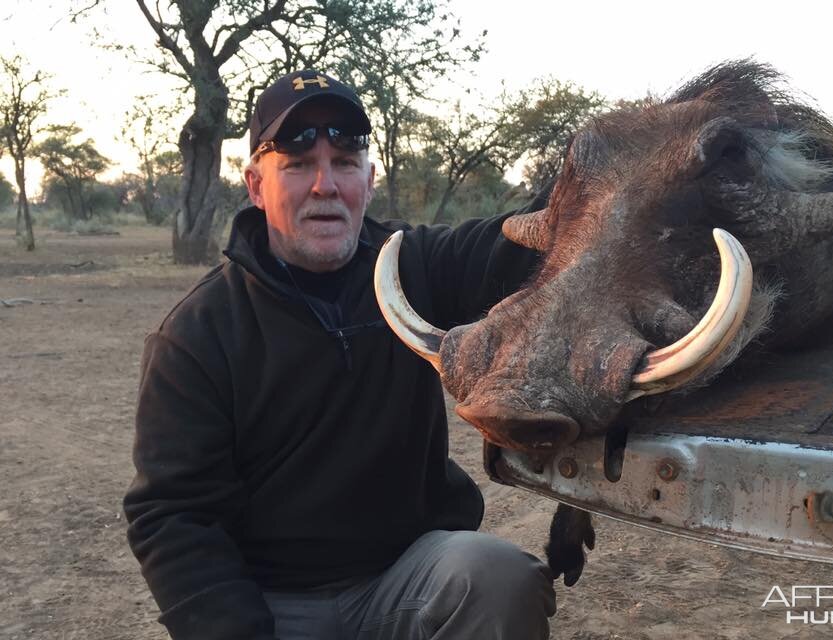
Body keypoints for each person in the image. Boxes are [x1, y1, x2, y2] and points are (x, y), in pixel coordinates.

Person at [124, 69, 556, 640]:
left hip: (405, 578)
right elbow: (172, 516)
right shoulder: (196, 333)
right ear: (256, 186)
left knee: (500, 577)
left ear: (368, 181)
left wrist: (615, 184)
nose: (325, 184)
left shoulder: (413, 266)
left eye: (345, 162)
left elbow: (518, 240)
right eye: (298, 165)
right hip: (273, 600)